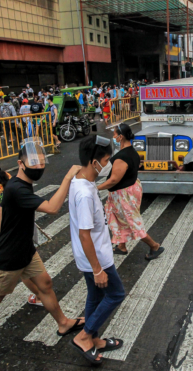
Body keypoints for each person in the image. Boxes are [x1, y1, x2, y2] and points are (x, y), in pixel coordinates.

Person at [0, 139, 86, 336]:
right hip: (9, 256)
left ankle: (63, 323)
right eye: (34, 162)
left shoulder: (18, 183)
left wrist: (3, 234)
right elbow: (52, 208)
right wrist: (67, 178)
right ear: (21, 164)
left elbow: (3, 213)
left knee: (45, 284)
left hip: (25, 250)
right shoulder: (17, 188)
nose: (39, 166)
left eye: (42, 162)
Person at [69, 136, 126, 365]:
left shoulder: (82, 180)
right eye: (106, 159)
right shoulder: (83, 193)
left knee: (95, 295)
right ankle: (84, 336)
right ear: (94, 162)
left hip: (93, 254)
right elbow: (84, 234)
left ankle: (94, 338)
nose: (108, 163)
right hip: (97, 257)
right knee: (116, 294)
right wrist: (97, 269)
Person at [97, 124, 164, 259]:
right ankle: (121, 246)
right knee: (119, 218)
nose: (113, 137)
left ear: (121, 137)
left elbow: (113, 180)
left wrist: (95, 188)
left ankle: (154, 246)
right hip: (129, 190)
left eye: (115, 135)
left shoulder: (122, 157)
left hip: (123, 194)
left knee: (132, 221)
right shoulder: (132, 151)